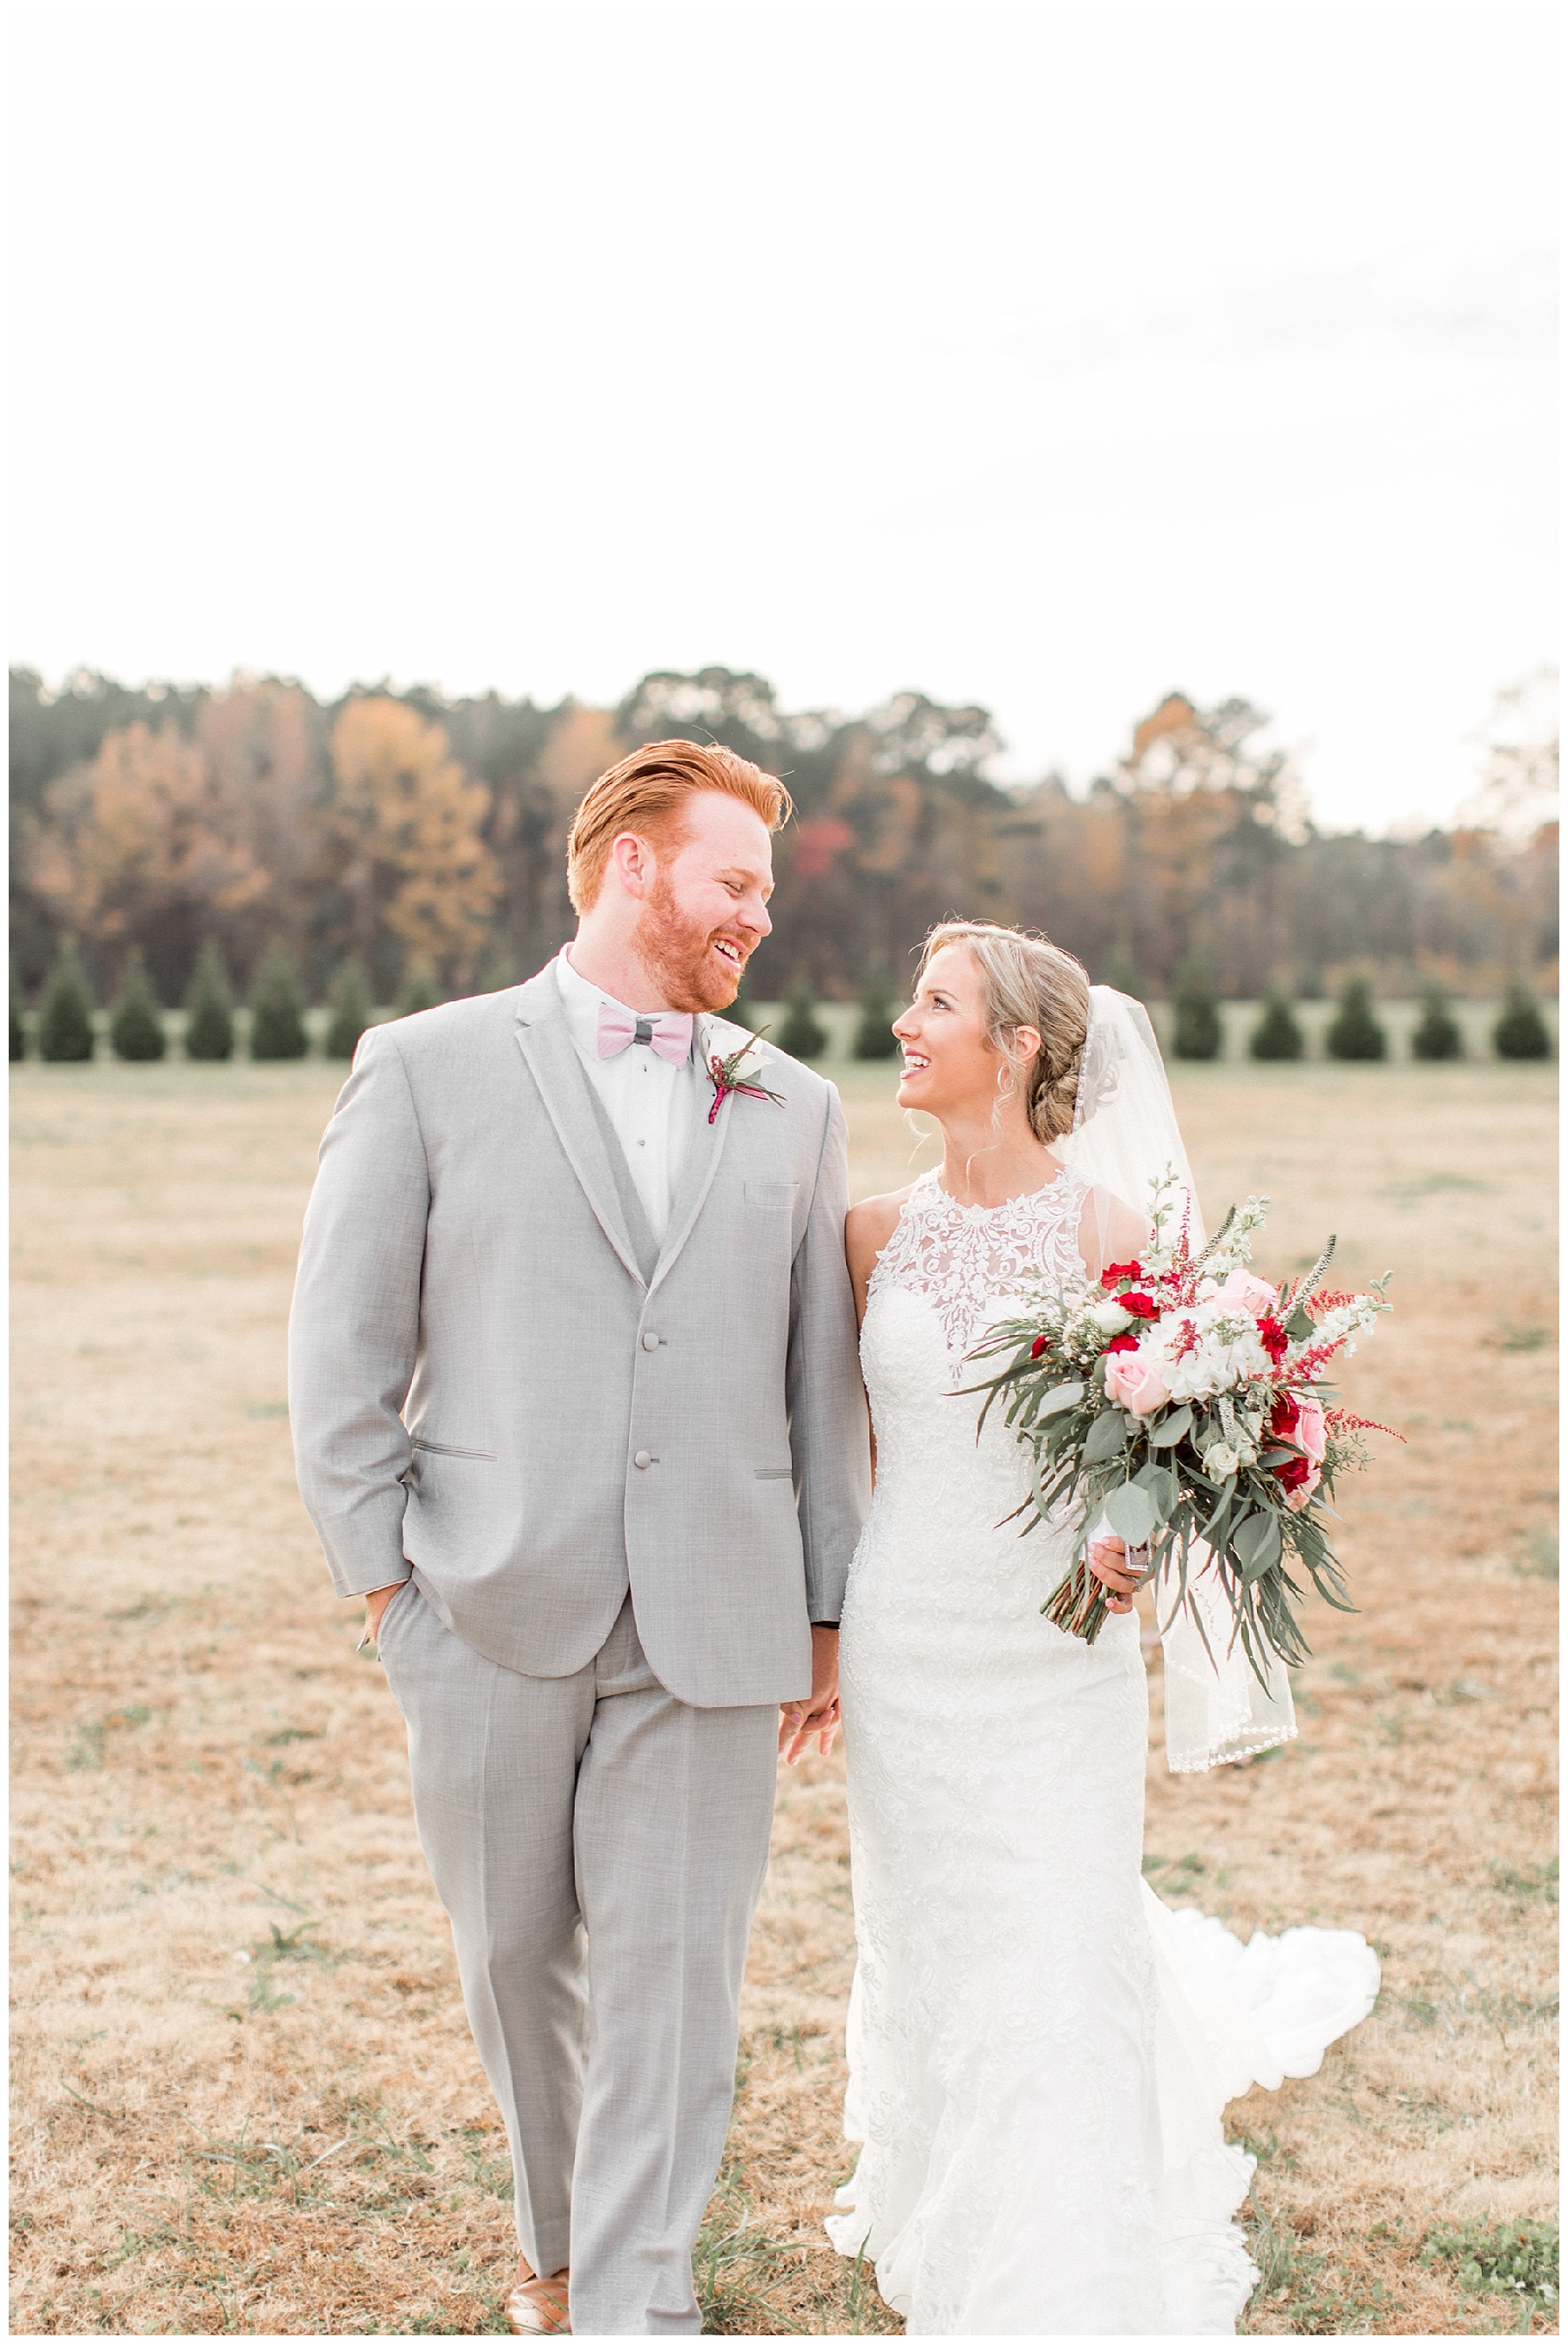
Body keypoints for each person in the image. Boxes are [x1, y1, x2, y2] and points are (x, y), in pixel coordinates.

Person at [287, 739, 868, 2337]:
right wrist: (386, 1582)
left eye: (762, 886)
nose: (758, 914)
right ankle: (555, 2254)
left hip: (716, 1612)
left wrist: (826, 1611)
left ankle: (637, 2297)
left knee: (676, 1983)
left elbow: (820, 1379)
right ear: (634, 864)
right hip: (481, 1599)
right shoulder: (422, 1065)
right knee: (514, 1956)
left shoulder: (795, 1104)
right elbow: (340, 1352)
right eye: (732, 879)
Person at [826, 920, 1380, 2334]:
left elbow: (1183, 1443)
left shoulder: (1110, 1235)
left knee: (1056, 1931)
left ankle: (1061, 2259)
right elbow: (849, 1457)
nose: (905, 1021)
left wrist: (1133, 1533)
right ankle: (939, 2189)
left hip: (1054, 1659)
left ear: (1014, 1046)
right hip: (908, 1642)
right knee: (933, 1930)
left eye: (933, 1001)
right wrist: (826, 1642)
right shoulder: (868, 1234)